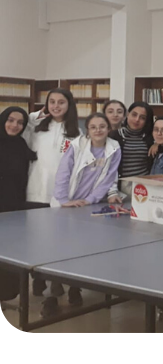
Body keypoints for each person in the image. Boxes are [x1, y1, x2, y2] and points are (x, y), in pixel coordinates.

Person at [45, 112, 122, 315]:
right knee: (59, 251)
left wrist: (89, 201)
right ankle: (52, 295)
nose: (98, 130)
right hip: (65, 204)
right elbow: (63, 173)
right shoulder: (77, 145)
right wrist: (64, 201)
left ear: (109, 128)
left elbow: (108, 179)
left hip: (87, 206)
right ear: (87, 130)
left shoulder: (114, 147)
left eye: (102, 126)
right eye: (93, 127)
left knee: (80, 250)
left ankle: (74, 288)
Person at [21, 89, 81, 300]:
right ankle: (39, 277)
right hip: (35, 191)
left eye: (61, 102)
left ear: (69, 105)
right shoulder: (36, 128)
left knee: (60, 243)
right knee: (37, 240)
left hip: (61, 196)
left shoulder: (77, 133)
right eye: (52, 102)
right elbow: (23, 121)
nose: (56, 106)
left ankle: (57, 282)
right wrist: (39, 113)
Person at [0, 107, 37, 304]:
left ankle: (7, 293)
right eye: (11, 120)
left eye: (20, 122)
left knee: (11, 251)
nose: (15, 125)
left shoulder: (21, 143)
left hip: (15, 207)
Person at [109, 101, 154, 196]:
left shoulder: (150, 138)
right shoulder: (114, 136)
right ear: (127, 114)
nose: (137, 120)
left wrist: (157, 144)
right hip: (122, 185)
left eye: (142, 118)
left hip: (144, 185)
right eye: (134, 115)